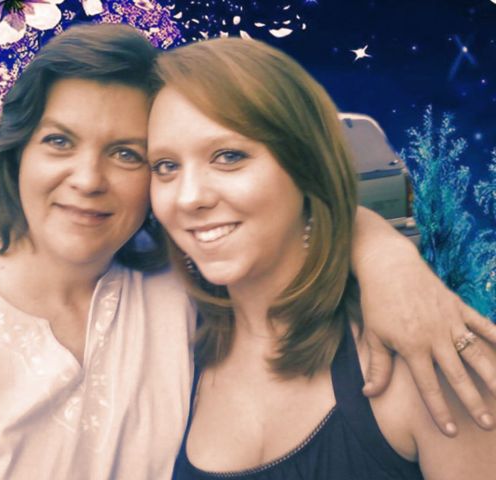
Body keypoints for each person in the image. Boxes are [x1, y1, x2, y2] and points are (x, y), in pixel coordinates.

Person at [0, 23, 493, 480]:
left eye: (128, 154)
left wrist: (388, 259)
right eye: (58, 141)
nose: (88, 179)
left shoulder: (170, 295)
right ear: (15, 152)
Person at [146, 36, 496, 479]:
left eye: (229, 156)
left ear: (306, 166)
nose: (188, 197)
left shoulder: (429, 357)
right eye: (165, 166)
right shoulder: (169, 348)